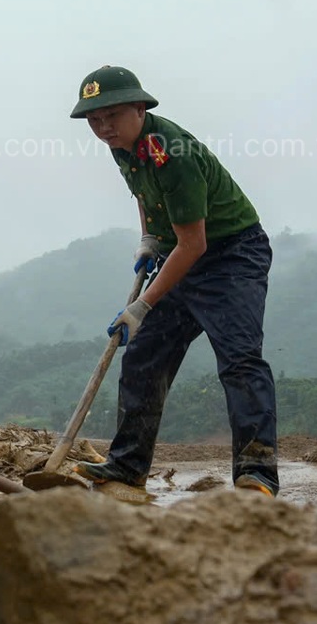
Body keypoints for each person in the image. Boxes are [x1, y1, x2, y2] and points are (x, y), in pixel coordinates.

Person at [68, 66, 279, 496]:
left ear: (140, 107)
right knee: (144, 356)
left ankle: (256, 475)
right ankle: (127, 467)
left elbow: (194, 244)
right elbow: (145, 194)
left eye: (112, 115)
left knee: (239, 360)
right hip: (179, 253)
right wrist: (149, 236)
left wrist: (142, 306)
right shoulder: (122, 146)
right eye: (94, 120)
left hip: (230, 256)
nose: (103, 127)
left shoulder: (173, 153)